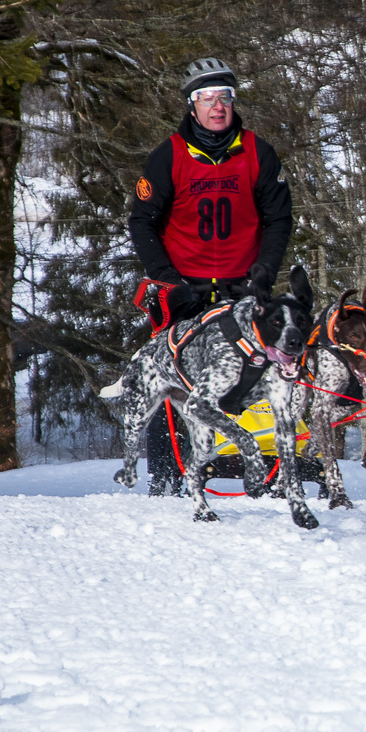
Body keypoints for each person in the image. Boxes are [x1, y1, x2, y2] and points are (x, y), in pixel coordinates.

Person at [128, 57, 294, 492]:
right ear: (192, 105)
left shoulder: (258, 151)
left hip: (244, 287)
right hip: (184, 290)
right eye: (206, 98)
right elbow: (142, 220)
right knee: (169, 377)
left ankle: (265, 474)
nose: (217, 106)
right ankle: (165, 479)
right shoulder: (168, 156)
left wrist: (265, 271)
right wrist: (166, 278)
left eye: (224, 97)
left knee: (259, 371)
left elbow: (279, 219)